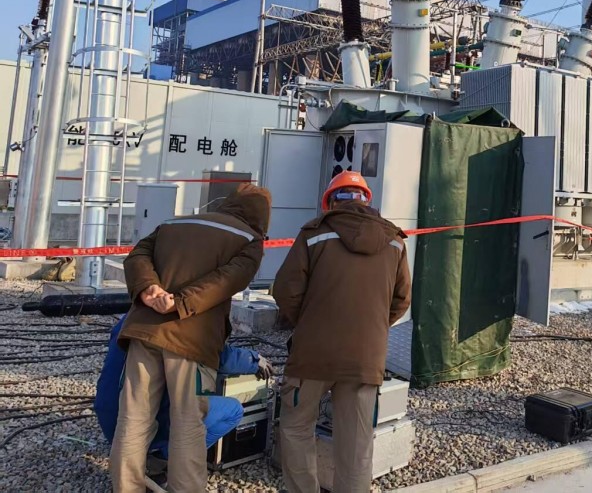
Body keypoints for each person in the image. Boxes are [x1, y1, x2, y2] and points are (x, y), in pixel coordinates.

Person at [110, 183, 271, 493]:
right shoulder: (250, 240)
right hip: (191, 340)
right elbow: (227, 280)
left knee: (133, 418)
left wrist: (148, 288)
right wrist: (180, 302)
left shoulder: (175, 222)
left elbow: (138, 254)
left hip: (144, 330)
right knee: (187, 423)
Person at [273, 170, 411, 493]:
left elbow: (285, 290)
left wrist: (309, 323)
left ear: (331, 202)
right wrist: (371, 329)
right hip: (365, 359)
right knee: (356, 445)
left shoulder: (314, 234)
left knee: (296, 428)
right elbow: (402, 300)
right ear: (366, 201)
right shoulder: (394, 241)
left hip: (312, 355)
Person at [95, 315, 275, 479]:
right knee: (233, 410)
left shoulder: (129, 318)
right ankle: (163, 459)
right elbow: (218, 355)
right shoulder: (184, 320)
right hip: (147, 423)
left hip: (110, 421)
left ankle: (139, 457)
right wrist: (253, 360)